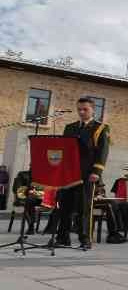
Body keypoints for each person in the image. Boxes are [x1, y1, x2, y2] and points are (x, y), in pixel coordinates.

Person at [56, 97, 110, 249]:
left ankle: (85, 239)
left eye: (85, 109)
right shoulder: (70, 127)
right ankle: (62, 238)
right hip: (69, 174)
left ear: (93, 109)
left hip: (87, 174)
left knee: (83, 208)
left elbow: (103, 151)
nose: (81, 112)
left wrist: (97, 171)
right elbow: (64, 150)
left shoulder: (100, 128)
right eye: (79, 109)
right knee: (64, 207)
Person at [11, 169, 43, 234]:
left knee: (57, 202)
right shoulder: (22, 175)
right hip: (25, 198)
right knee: (29, 202)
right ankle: (31, 226)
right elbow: (17, 189)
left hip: (39, 198)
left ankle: (52, 228)